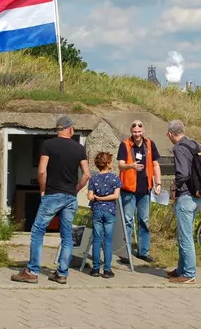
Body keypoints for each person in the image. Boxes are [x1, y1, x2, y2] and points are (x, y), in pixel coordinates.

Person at [11, 116, 90, 285]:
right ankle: (62, 273)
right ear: (70, 129)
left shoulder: (48, 145)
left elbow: (41, 171)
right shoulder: (79, 148)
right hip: (70, 196)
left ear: (59, 129)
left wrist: (42, 190)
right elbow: (87, 174)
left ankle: (32, 271)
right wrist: (76, 189)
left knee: (38, 231)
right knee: (67, 234)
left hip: (52, 194)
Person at [117, 119, 162, 263]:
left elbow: (155, 165)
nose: (137, 134)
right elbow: (120, 165)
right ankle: (126, 252)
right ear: (131, 131)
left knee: (144, 221)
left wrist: (158, 182)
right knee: (128, 221)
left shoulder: (150, 144)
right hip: (128, 190)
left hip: (145, 189)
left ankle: (143, 252)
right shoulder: (125, 145)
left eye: (139, 132)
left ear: (143, 131)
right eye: (135, 132)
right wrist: (131, 166)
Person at [166, 119, 201, 284]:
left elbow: (183, 173)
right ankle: (181, 269)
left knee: (185, 237)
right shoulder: (193, 144)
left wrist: (174, 187)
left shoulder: (179, 149)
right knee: (184, 235)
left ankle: (188, 274)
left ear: (171, 134)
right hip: (197, 196)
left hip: (186, 196)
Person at [87, 152, 122, 278]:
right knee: (108, 241)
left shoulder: (93, 178)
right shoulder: (115, 178)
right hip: (110, 211)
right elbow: (116, 196)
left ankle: (95, 269)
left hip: (97, 211)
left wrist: (97, 198)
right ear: (108, 164)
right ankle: (107, 270)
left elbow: (90, 196)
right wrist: (105, 198)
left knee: (96, 240)